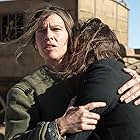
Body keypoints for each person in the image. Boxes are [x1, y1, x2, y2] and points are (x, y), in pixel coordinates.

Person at [3, 3, 140, 140]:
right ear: (35, 44)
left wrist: (131, 79)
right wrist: (59, 127)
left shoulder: (93, 75)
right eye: (41, 31)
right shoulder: (24, 93)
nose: (48, 36)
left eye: (56, 29)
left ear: (71, 38)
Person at [64, 18, 140, 140]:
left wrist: (62, 124)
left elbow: (74, 136)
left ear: (84, 48)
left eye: (71, 49)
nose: (69, 56)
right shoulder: (118, 72)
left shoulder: (102, 74)